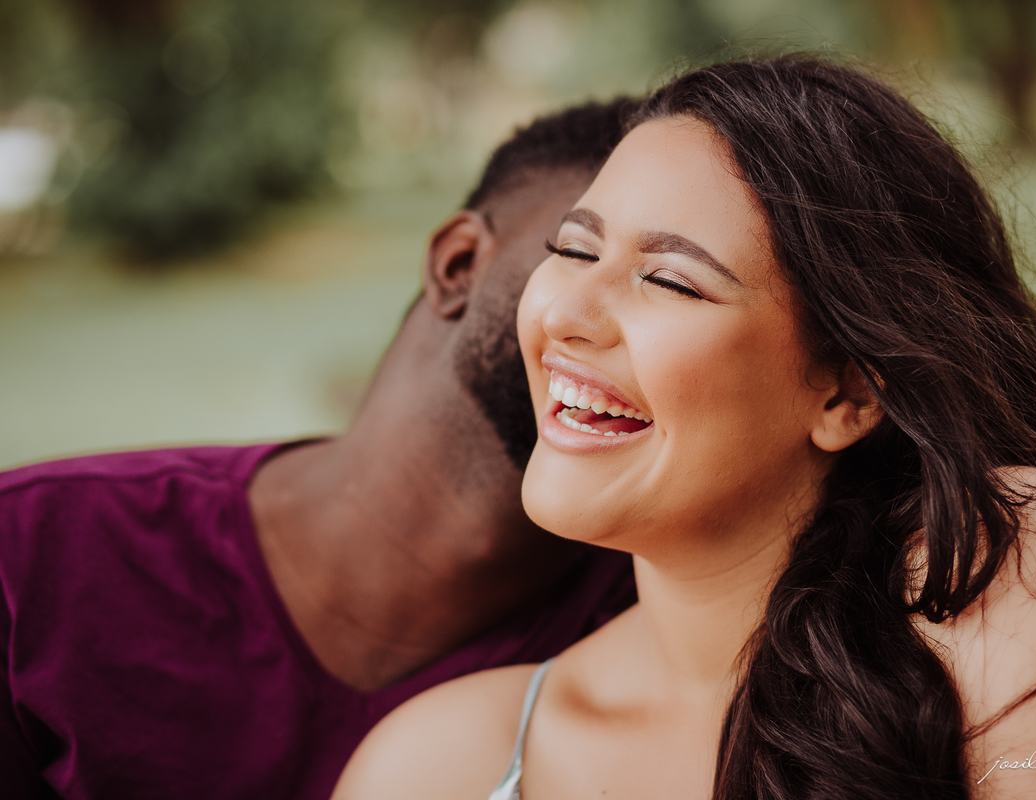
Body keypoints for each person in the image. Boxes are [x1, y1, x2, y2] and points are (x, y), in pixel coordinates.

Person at [333, 56, 1036, 800]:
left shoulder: (1008, 579)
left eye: (670, 280)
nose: (568, 315)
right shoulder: (436, 763)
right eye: (572, 250)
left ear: (849, 393)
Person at [0, 99, 638, 800]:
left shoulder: (663, 639)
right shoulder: (33, 557)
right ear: (458, 264)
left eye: (676, 282)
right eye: (579, 250)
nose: (631, 318)